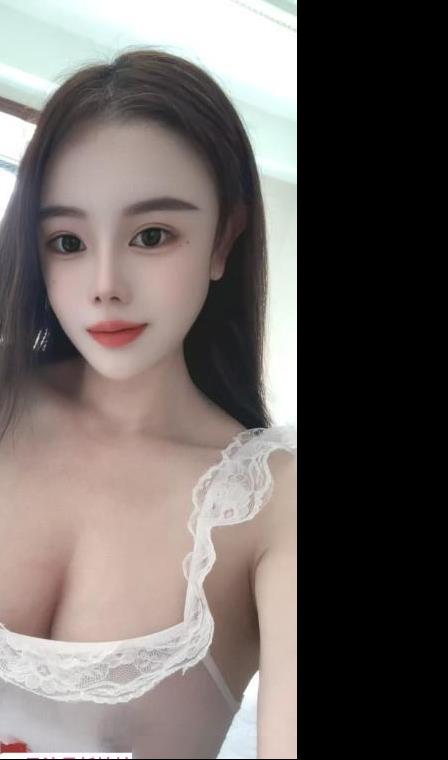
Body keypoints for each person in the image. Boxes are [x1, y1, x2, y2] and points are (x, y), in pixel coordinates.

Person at [0, 48, 297, 759]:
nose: (105, 283)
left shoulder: (273, 502)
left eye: (152, 235)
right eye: (67, 241)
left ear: (223, 240)